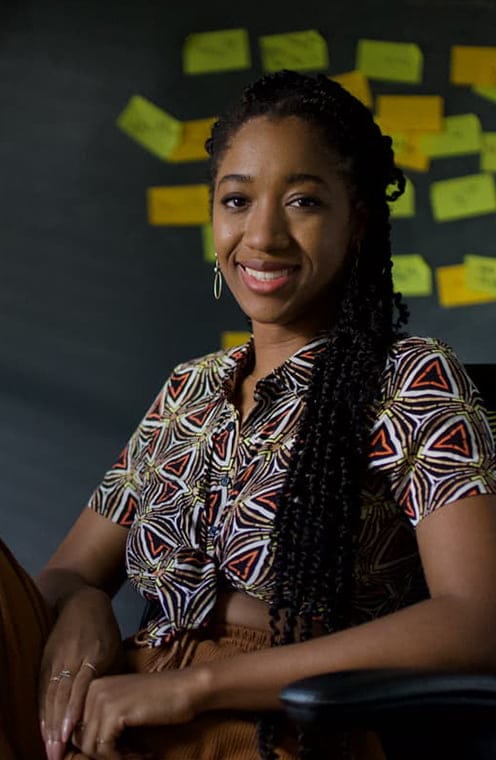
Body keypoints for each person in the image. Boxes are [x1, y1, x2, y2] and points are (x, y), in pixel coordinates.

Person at [1, 69, 496, 760]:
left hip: (283, 721)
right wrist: (85, 608)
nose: (262, 235)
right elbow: (65, 575)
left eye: (303, 202)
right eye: (237, 200)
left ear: (357, 221)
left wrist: (198, 688)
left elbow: (478, 621)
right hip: (128, 698)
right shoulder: (187, 390)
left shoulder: (410, 378)